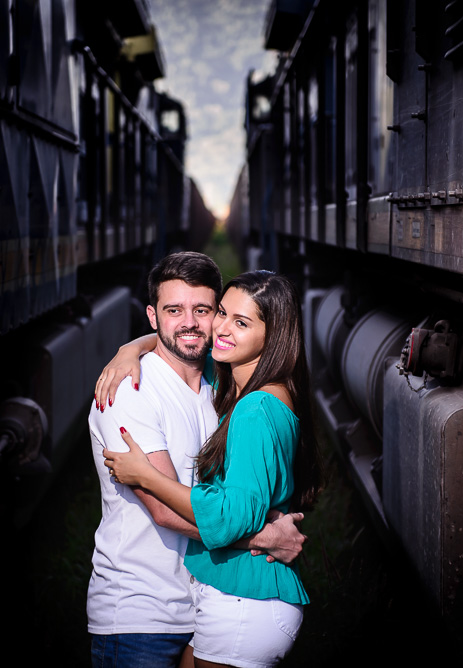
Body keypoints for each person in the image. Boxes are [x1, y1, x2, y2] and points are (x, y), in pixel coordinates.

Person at [87, 254, 307, 668]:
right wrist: (260, 538)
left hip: (207, 600)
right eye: (173, 310)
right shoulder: (129, 390)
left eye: (204, 310)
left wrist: (134, 344)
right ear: (152, 315)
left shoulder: (222, 383)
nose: (190, 323)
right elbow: (163, 510)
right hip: (141, 616)